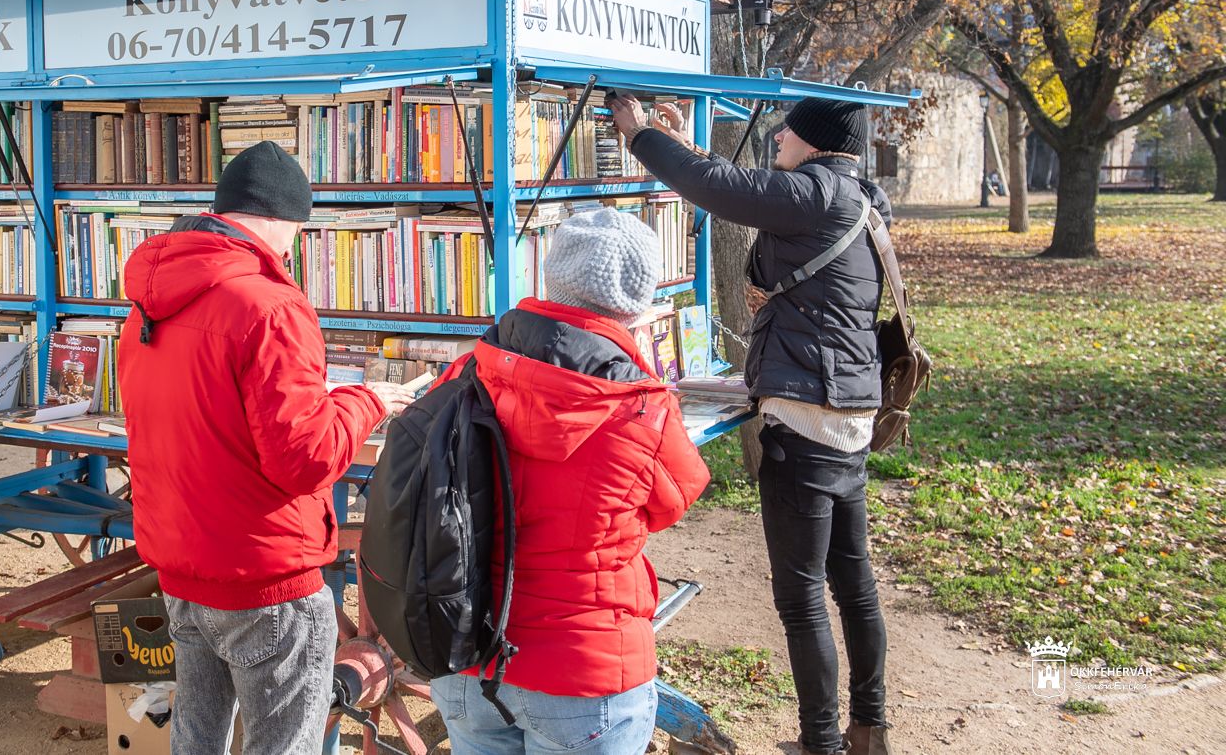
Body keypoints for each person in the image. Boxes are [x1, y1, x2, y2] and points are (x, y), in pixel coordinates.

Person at [609, 94, 894, 755]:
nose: (778, 137)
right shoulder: (859, 195)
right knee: (854, 586)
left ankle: (820, 745)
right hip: (849, 411)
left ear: (814, 140)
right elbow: (743, 185)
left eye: (788, 129)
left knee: (801, 595)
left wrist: (642, 136)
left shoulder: (815, 194)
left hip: (808, 416)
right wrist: (687, 145)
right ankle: (869, 732)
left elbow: (722, 189)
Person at [117, 140, 416, 755]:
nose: (290, 250)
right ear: (284, 220)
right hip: (263, 573)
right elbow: (306, 458)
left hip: (183, 565)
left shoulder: (148, 302)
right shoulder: (270, 306)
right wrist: (366, 402)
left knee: (196, 739)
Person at [426, 208, 709, 755]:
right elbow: (674, 500)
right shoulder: (643, 407)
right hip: (585, 668)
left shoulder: (466, 374)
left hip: (467, 648)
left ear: (551, 278)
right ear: (638, 302)